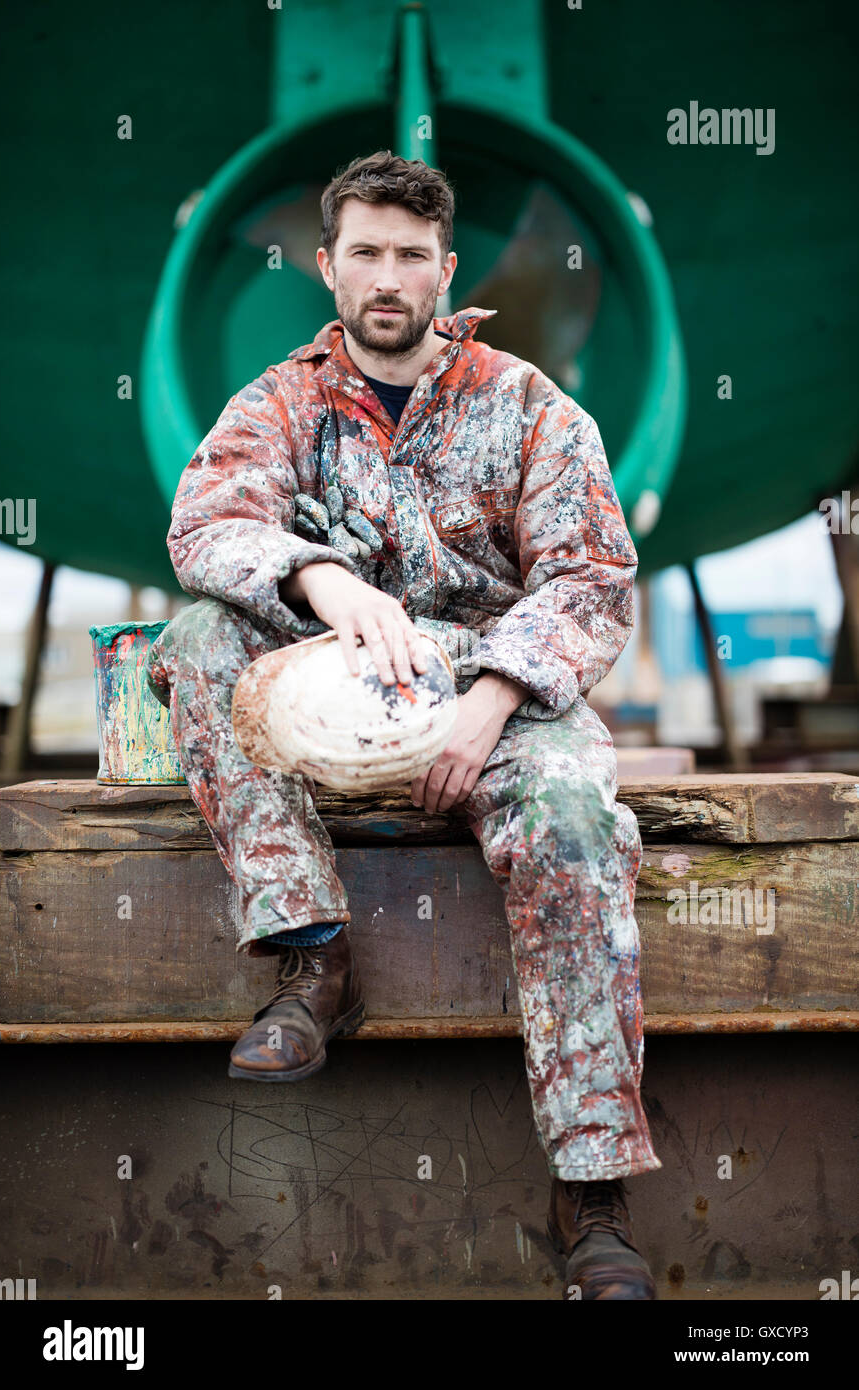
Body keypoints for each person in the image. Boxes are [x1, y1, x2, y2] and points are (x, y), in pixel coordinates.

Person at [146, 149, 662, 1300]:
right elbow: (206, 526)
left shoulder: (528, 405)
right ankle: (312, 956)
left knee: (577, 820)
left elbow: (589, 577)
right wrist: (320, 577)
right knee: (196, 640)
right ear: (327, 265)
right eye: (366, 253)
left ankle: (589, 1190)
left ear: (446, 269)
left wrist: (490, 703)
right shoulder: (277, 403)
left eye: (411, 256)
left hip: (490, 698)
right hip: (324, 695)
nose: (388, 277)